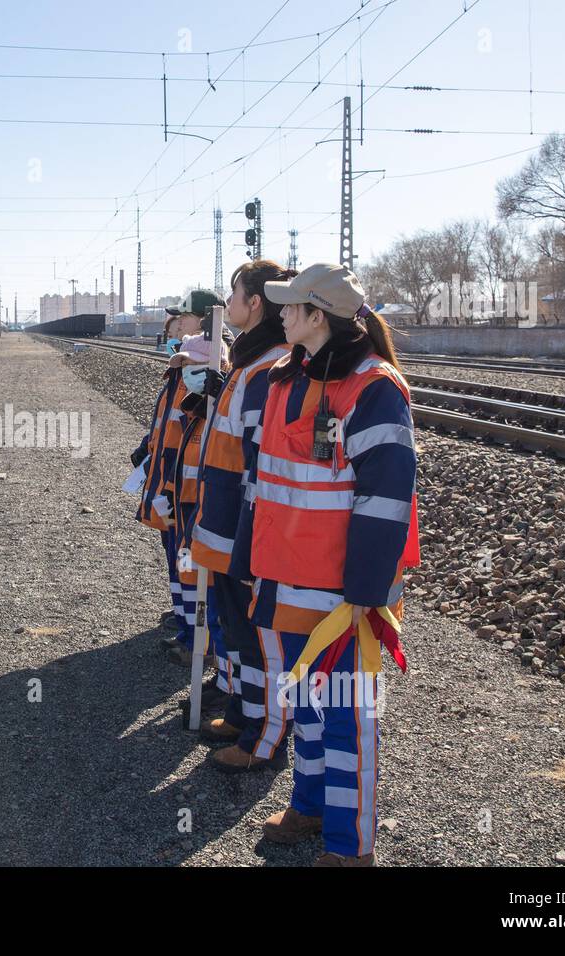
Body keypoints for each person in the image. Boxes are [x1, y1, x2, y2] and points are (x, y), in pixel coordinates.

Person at [246, 263, 419, 866]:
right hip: (287, 579)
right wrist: (251, 553)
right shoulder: (283, 377)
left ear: (318, 317)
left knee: (348, 717)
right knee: (307, 707)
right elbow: (265, 479)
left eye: (291, 307)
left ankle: (351, 848)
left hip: (346, 594)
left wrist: (367, 591)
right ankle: (311, 805)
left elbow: (389, 494)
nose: (281, 314)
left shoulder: (373, 388)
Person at [180, 261, 299, 768]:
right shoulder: (250, 364)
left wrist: (253, 537)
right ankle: (242, 711)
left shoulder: (266, 368)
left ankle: (260, 737)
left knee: (254, 634)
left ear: (255, 303)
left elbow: (259, 460)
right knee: (234, 623)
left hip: (241, 526)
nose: (226, 304)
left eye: (234, 293)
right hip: (225, 521)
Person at [133, 304, 205, 641]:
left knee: (187, 561)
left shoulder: (202, 364)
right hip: (170, 481)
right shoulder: (182, 364)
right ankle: (182, 617)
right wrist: (149, 446)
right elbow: (168, 422)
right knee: (176, 556)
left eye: (179, 319)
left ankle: (193, 635)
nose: (172, 326)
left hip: (186, 489)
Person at [166, 322, 229, 675]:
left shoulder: (217, 413)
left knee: (205, 587)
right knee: (187, 573)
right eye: (184, 367)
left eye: (193, 366)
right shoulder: (194, 410)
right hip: (185, 511)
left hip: (204, 515)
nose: (187, 374)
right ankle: (195, 641)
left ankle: (205, 651)